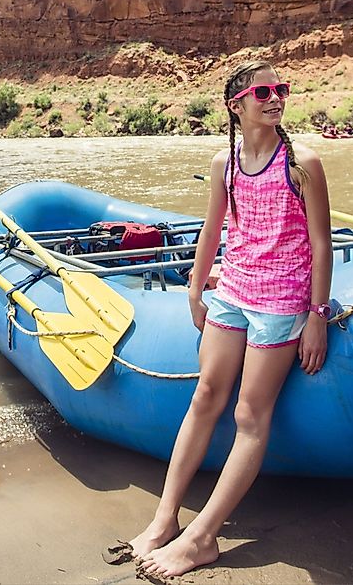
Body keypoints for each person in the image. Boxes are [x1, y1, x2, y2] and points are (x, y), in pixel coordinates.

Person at [117, 60, 333, 583]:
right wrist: (196, 289)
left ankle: (203, 536)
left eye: (281, 88)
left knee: (249, 414)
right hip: (232, 291)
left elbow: (322, 244)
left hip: (280, 302)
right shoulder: (225, 163)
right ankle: (165, 517)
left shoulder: (303, 162)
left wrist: (317, 316)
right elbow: (213, 231)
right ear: (237, 105)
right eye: (263, 91)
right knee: (205, 396)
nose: (276, 97)